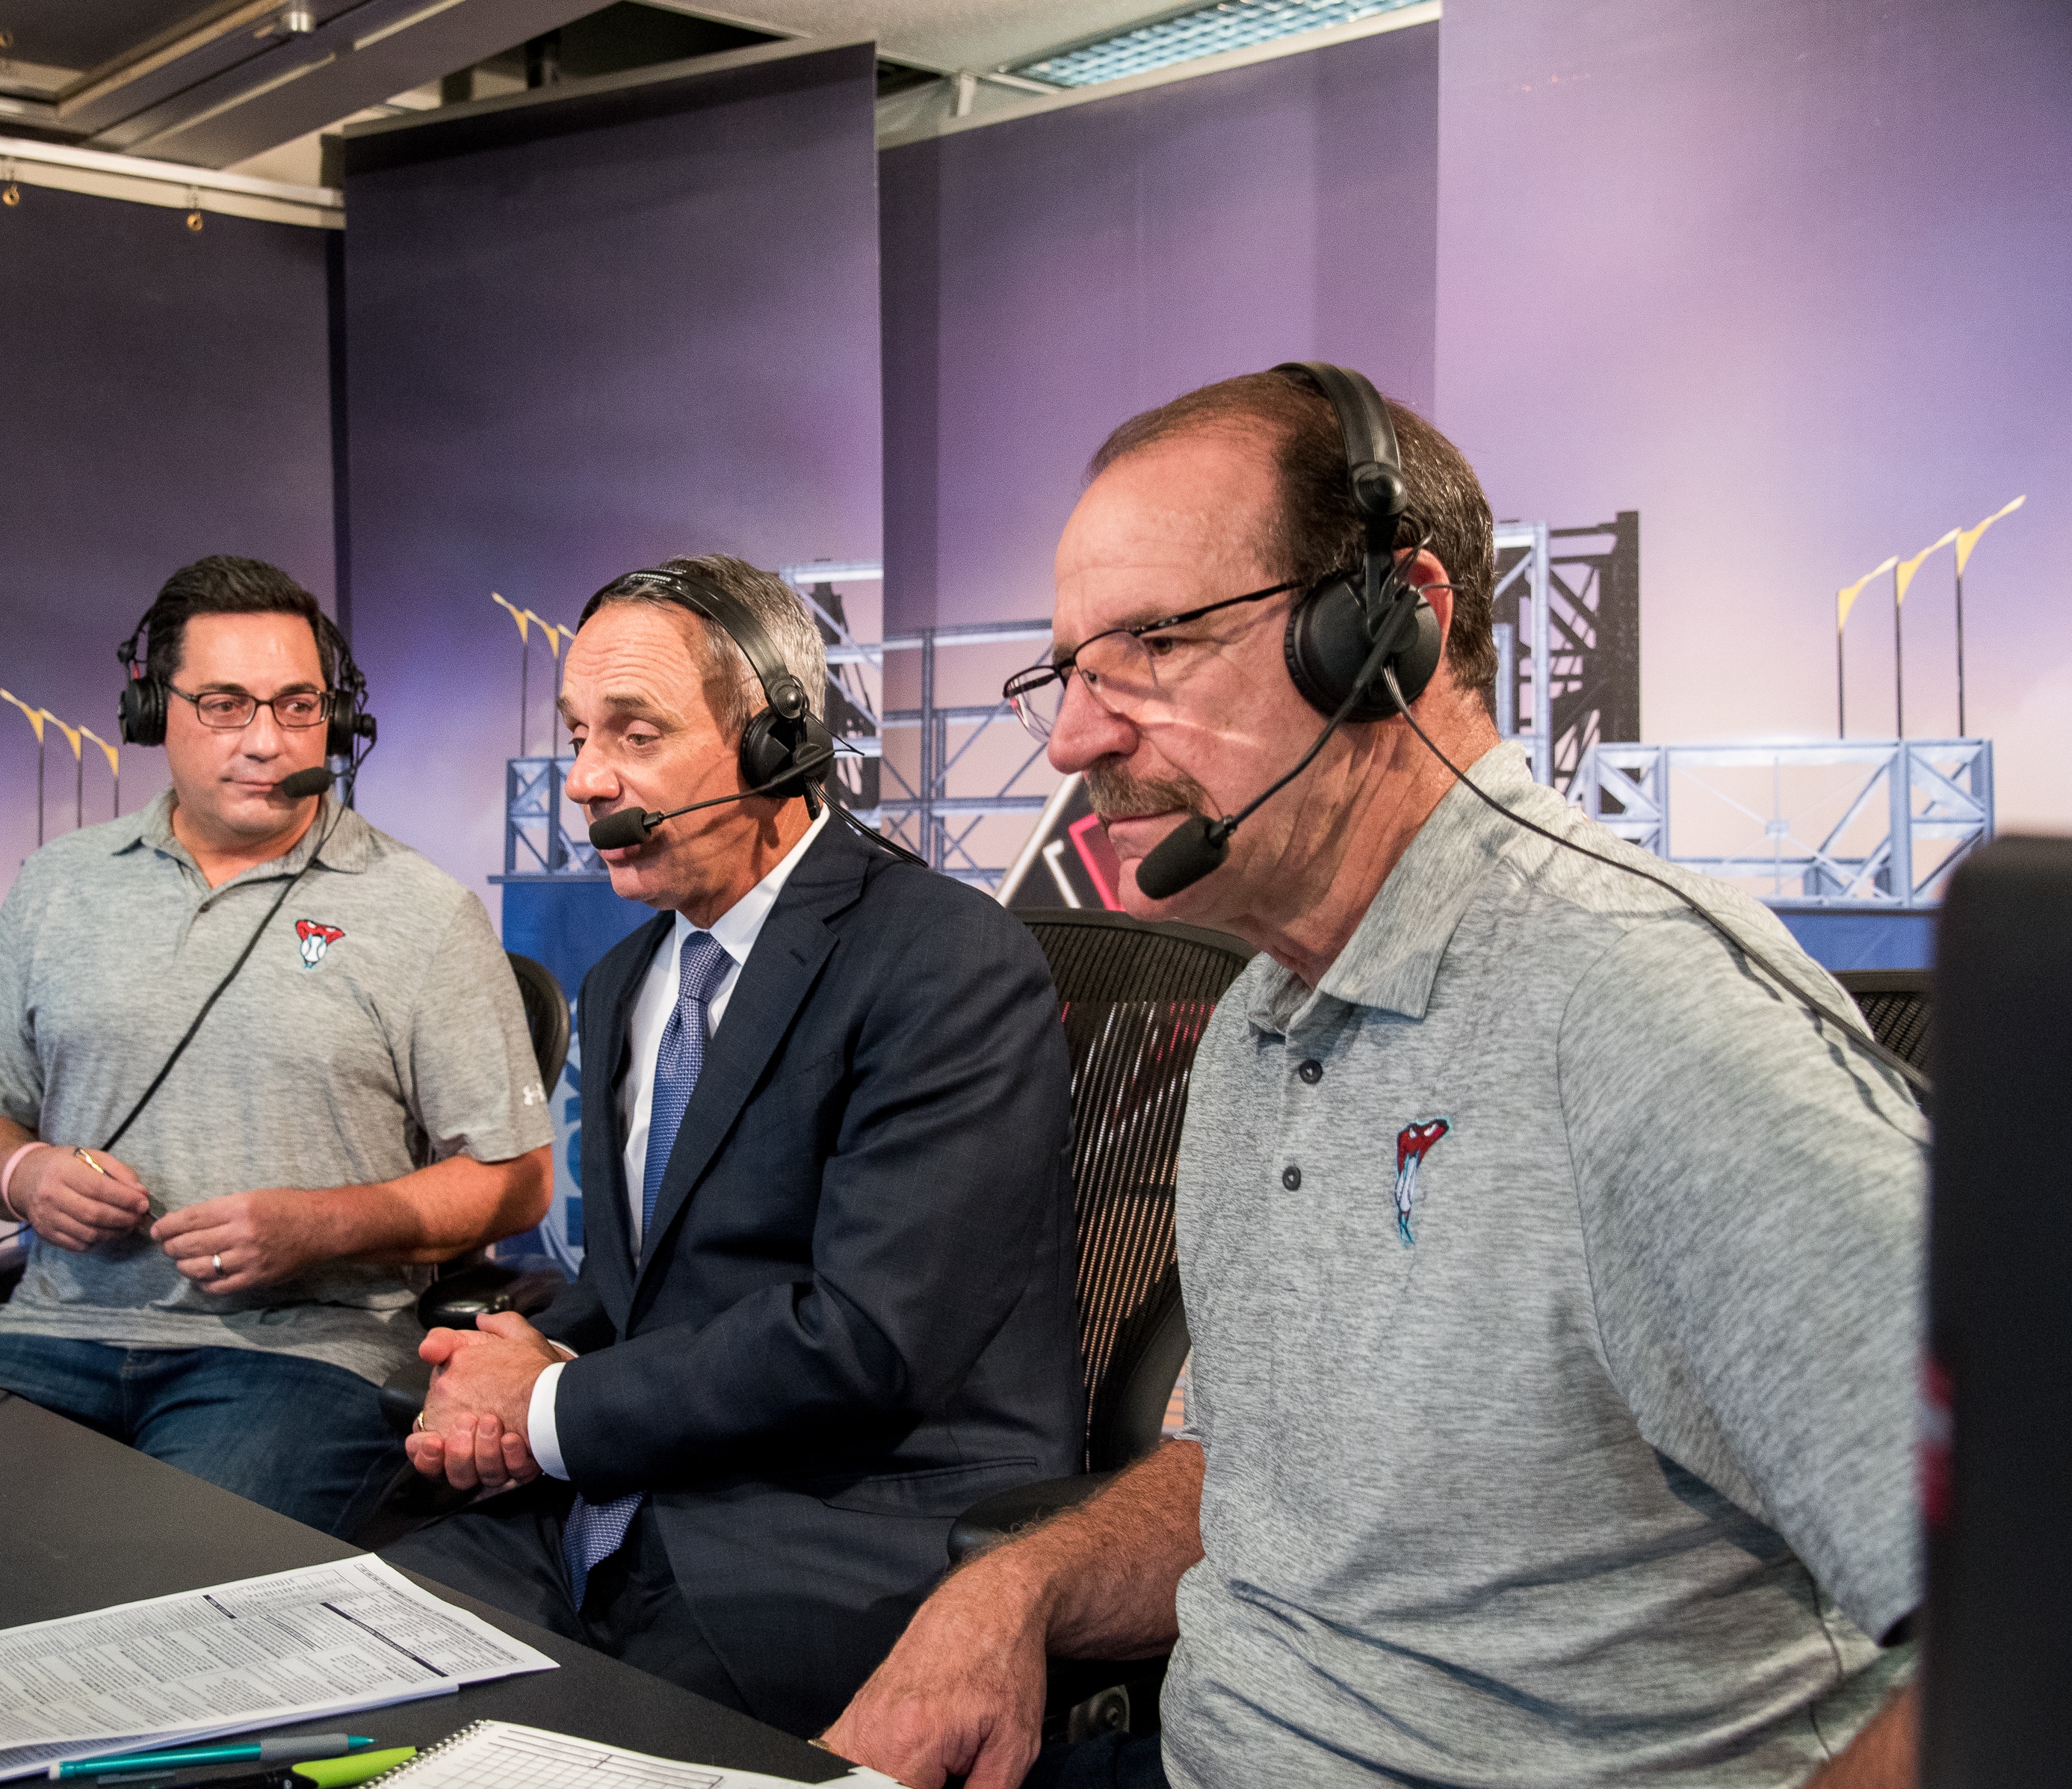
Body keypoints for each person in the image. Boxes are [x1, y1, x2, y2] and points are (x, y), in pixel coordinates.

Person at [823, 368, 1926, 1789]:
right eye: (1069, 672)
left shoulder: (1646, 1019)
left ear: (1387, 629)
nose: (1075, 738)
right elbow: (1262, 1484)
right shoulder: (1263, 1017)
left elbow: (2027, 1613)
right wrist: (1015, 1590)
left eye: (1152, 643)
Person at [386, 554, 1079, 1738]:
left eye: (636, 734)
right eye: (576, 734)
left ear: (776, 745)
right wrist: (521, 1365)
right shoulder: (622, 981)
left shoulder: (940, 958)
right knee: (351, 1681)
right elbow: (644, 1287)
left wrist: (552, 1406)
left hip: (830, 1537)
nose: (587, 780)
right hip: (624, 1503)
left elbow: (865, 1336)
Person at [0, 554, 553, 1537]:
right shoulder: (56, 886)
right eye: (225, 704)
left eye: (297, 705)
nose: (266, 741)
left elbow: (516, 1180)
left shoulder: (421, 912)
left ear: (335, 719)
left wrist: (323, 1226)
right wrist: (24, 1172)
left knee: (157, 1582)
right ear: (154, 713)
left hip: (302, 1355)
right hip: (51, 1333)